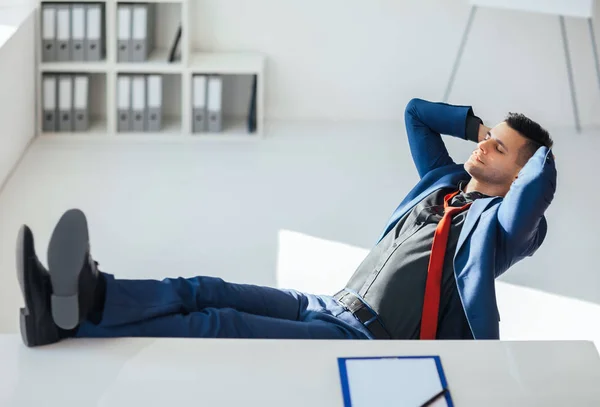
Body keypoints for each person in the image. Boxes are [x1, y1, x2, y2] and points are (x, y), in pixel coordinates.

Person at [17, 98, 557, 347]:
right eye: (486, 139)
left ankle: (72, 319)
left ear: (518, 173)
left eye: (499, 148)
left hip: (363, 338)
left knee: (220, 325)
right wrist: (480, 125)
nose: (484, 147)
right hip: (329, 302)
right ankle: (84, 296)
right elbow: (415, 111)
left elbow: (536, 190)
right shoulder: (441, 181)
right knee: (204, 289)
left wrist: (536, 151)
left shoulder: (504, 230)